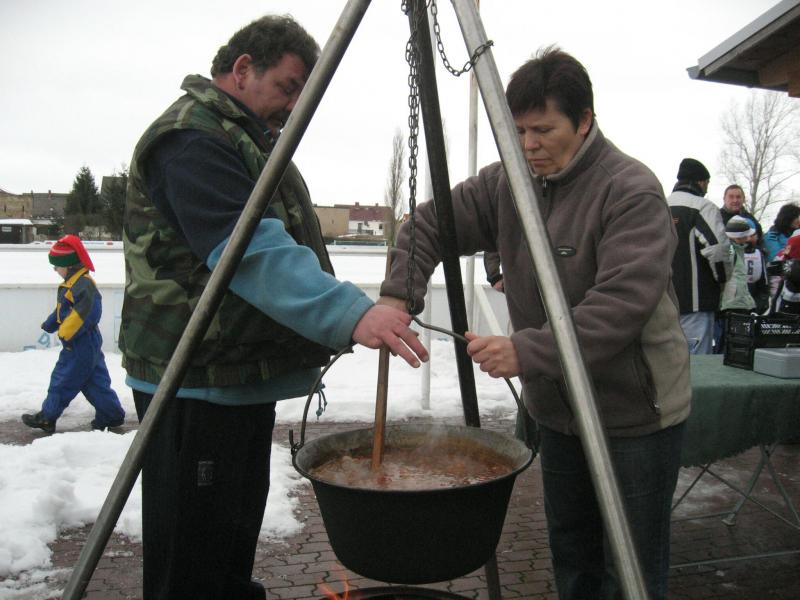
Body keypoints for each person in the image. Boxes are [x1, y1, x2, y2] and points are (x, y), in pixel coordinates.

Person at [119, 15, 428, 600]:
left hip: (233, 374)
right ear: (242, 69)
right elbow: (249, 251)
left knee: (227, 544)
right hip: (193, 380)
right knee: (193, 561)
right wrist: (350, 314)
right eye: (287, 87)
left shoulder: (243, 139)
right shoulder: (191, 139)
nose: (292, 107)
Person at [379, 47, 690, 600]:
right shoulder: (506, 183)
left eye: (544, 130)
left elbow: (622, 303)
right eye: (519, 131)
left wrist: (529, 351)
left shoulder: (629, 189)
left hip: (634, 413)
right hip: (559, 413)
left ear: (584, 120)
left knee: (632, 565)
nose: (528, 145)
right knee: (572, 551)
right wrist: (398, 295)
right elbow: (429, 225)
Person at [22, 235, 125, 434]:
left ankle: (47, 417)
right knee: (96, 382)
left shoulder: (83, 285)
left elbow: (86, 313)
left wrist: (65, 332)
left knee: (62, 380)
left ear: (69, 265)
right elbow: (64, 309)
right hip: (87, 342)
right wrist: (51, 323)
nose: (55, 270)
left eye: (57, 266)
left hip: (79, 343)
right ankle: (111, 415)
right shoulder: (73, 283)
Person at [666, 158, 730, 354]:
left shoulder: (658, 205)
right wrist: (723, 280)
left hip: (661, 302)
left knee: (666, 361)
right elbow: (718, 250)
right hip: (696, 303)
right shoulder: (702, 207)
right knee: (697, 363)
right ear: (701, 182)